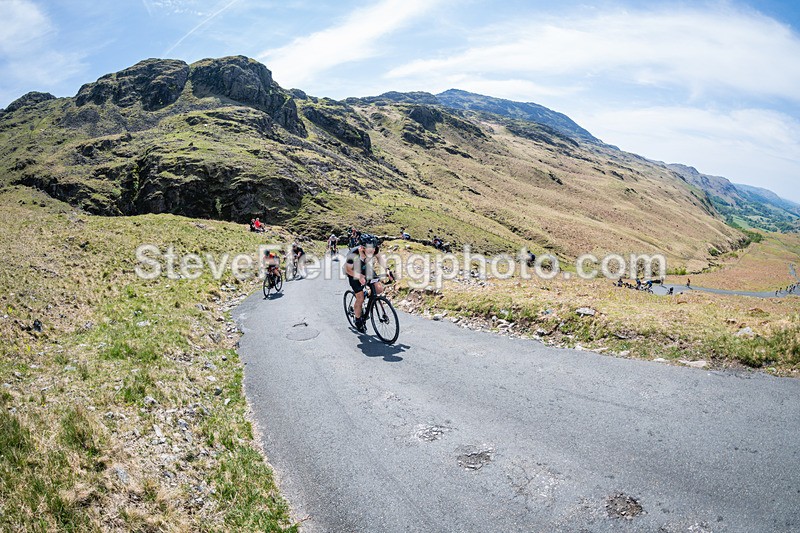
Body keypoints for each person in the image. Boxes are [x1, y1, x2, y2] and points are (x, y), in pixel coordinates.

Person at [344, 234, 394, 333]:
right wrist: (359, 276)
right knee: (360, 298)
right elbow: (347, 269)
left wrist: (387, 270)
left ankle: (368, 294)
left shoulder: (374, 249)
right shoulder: (353, 254)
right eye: (369, 249)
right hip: (353, 272)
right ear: (362, 247)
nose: (372, 251)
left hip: (365, 268)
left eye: (374, 248)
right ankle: (358, 320)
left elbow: (380, 258)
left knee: (379, 289)